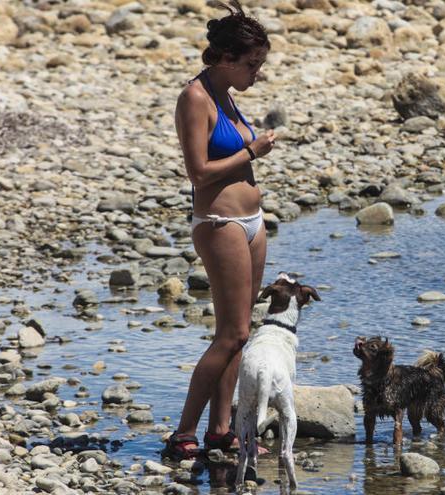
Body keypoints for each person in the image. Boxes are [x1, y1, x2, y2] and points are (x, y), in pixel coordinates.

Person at [165, 0, 275, 459]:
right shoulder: (195, 97)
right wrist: (252, 152)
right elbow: (198, 172)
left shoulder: (226, 93)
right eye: (252, 64)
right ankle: (183, 433)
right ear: (227, 58)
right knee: (230, 334)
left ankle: (221, 429)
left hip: (251, 224)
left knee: (242, 331)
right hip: (220, 223)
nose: (257, 73)